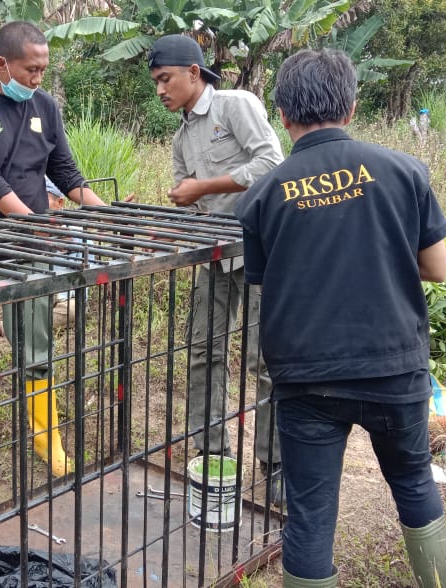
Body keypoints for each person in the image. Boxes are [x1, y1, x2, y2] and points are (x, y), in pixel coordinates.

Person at [234, 48, 446, 587]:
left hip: (307, 377)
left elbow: (266, 279)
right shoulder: (404, 171)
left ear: (282, 116)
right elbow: (438, 269)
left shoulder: (260, 197)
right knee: (413, 482)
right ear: (352, 107)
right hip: (393, 365)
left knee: (310, 514)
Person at [0, 20, 108, 485]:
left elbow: (68, 175)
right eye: (30, 70)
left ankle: (44, 437)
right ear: (2, 64)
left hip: (30, 248)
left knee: (35, 343)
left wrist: (105, 213)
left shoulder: (45, 107)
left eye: (42, 69)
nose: (37, 79)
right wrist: (36, 223)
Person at [148, 34, 286, 503]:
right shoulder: (182, 136)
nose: (161, 90)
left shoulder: (234, 106)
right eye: (155, 83)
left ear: (193, 72)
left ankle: (275, 461)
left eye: (165, 79)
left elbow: (271, 162)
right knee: (203, 351)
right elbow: (187, 200)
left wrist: (204, 185)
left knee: (264, 359)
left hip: (260, 252)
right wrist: (164, 224)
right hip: (212, 257)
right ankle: (210, 453)